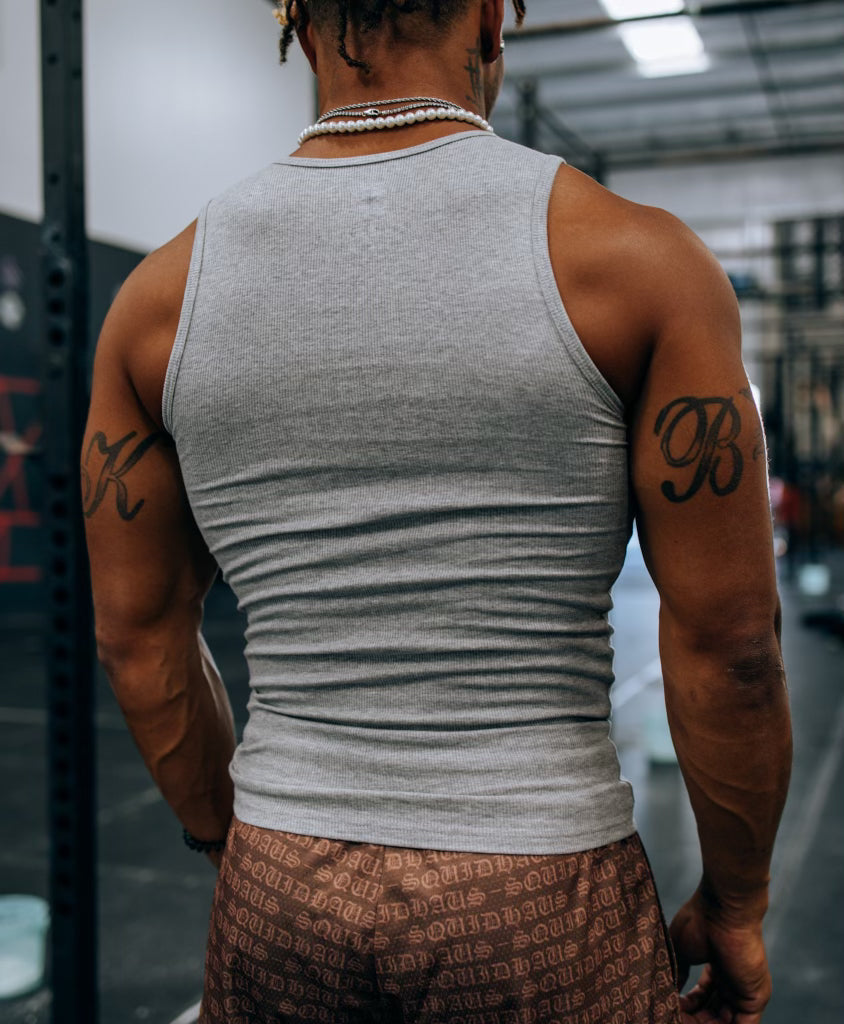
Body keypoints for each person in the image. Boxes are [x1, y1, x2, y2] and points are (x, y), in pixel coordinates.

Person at [81, 1, 792, 1021]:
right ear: (494, 23)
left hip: (279, 884)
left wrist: (237, 844)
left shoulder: (156, 301)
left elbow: (136, 639)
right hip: (539, 885)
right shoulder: (639, 260)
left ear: (295, 23)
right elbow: (733, 647)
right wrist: (736, 901)